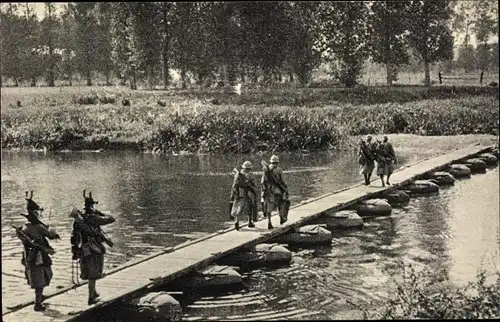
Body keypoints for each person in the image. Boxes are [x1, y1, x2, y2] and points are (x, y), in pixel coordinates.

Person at [16, 192, 60, 312]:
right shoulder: (38, 227)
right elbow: (51, 235)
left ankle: (39, 297)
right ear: (34, 213)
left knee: (42, 276)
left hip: (29, 257)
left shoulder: (25, 227)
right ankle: (37, 303)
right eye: (37, 212)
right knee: (41, 278)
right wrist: (51, 229)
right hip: (37, 256)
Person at [71, 191, 115, 305]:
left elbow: (74, 236)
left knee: (90, 271)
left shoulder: (78, 220)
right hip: (94, 248)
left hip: (83, 249)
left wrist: (75, 251)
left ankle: (94, 292)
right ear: (92, 206)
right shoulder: (94, 218)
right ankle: (91, 297)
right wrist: (99, 212)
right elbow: (111, 219)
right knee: (93, 272)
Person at [261, 155, 289, 229]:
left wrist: (263, 190)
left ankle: (269, 222)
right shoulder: (279, 169)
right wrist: (285, 188)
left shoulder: (265, 169)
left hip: (268, 190)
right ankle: (281, 218)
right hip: (277, 190)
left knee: (269, 207)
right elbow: (282, 180)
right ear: (277, 162)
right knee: (280, 204)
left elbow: (262, 181)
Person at [230, 161, 258, 230]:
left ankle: (237, 221)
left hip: (239, 192)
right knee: (249, 206)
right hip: (248, 192)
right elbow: (254, 184)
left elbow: (234, 185)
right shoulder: (251, 174)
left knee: (238, 206)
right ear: (249, 168)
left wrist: (232, 194)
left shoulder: (238, 174)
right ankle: (249, 222)